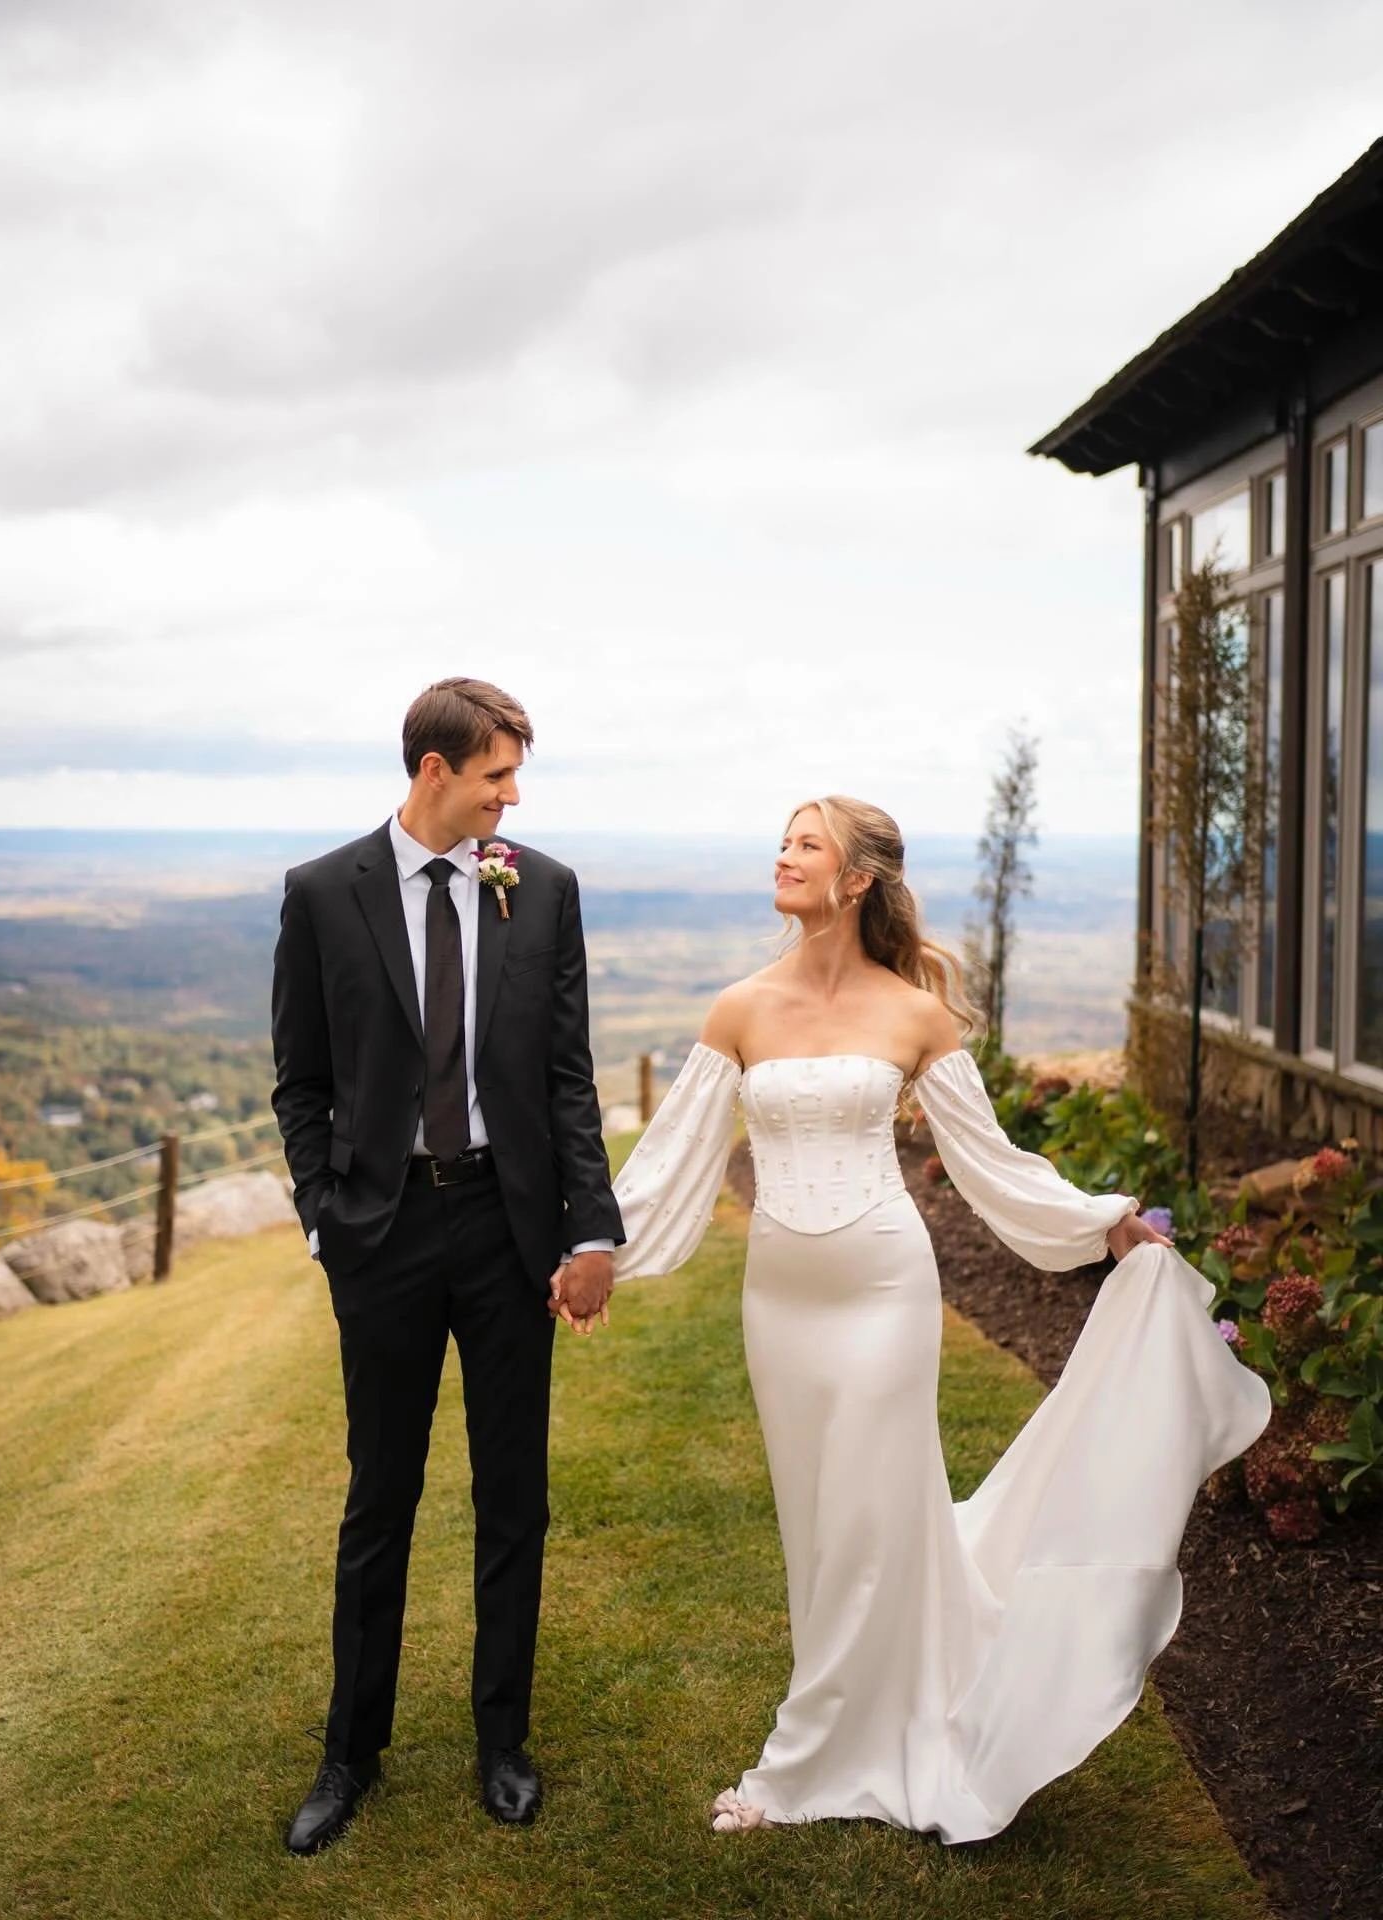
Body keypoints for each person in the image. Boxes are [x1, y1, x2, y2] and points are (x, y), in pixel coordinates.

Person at [603, 795, 1270, 1839]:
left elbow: (988, 1162)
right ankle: (861, 1704)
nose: (783, 856)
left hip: (883, 1290)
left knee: (874, 1508)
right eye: (784, 841)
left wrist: (1102, 1223)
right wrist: (597, 1249)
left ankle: (806, 1761)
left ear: (856, 878)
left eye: (806, 844)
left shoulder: (916, 1014)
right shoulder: (738, 1009)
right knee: (819, 1526)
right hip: (779, 1300)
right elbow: (669, 1157)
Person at [271, 677, 622, 1854]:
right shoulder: (323, 894)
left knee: (512, 1496)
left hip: (508, 1231)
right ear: (434, 773)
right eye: (495, 777)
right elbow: (300, 1082)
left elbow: (569, 1077)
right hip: (379, 1239)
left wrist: (589, 1229)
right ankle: (349, 1755)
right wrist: (327, 1222)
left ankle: (502, 1743)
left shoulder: (544, 888)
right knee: (381, 1498)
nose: (510, 797)